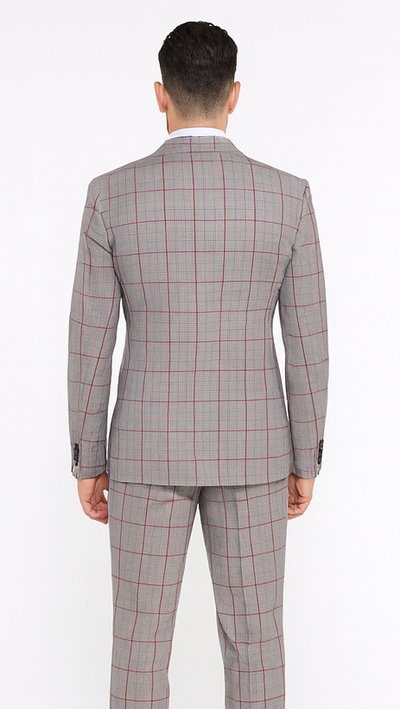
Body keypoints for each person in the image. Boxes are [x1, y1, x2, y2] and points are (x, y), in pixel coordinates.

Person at [67, 20, 329, 709]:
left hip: (144, 451)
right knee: (256, 644)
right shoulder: (287, 197)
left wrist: (87, 457)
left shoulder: (111, 195)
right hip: (256, 451)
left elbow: (90, 339)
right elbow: (308, 340)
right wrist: (305, 456)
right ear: (235, 93)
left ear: (160, 93)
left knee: (138, 649)